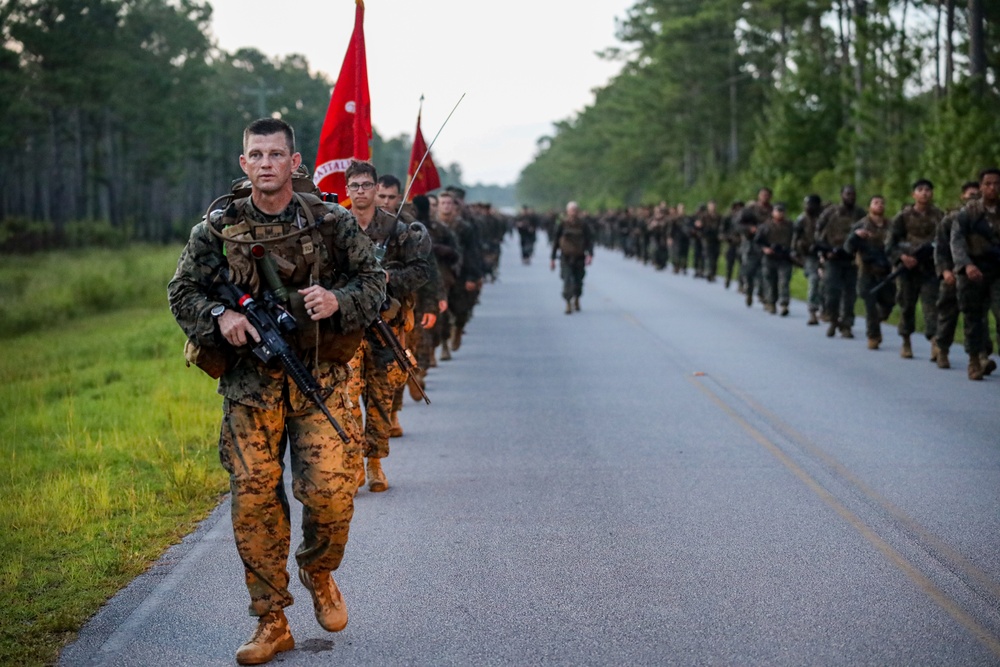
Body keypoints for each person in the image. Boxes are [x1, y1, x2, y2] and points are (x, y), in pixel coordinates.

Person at [167, 118, 384, 665]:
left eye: (276, 154)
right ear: (244, 164)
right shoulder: (216, 229)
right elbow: (182, 292)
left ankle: (319, 570)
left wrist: (337, 301)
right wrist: (219, 315)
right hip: (250, 388)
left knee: (333, 494)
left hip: (321, 380)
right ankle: (271, 619)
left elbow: (373, 283)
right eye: (256, 154)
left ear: (294, 162)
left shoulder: (332, 222)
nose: (266, 163)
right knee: (255, 501)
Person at [346, 162, 430, 490]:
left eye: (367, 185)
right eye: (355, 186)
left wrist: (389, 277)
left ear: (376, 186)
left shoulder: (396, 230)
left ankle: (375, 463)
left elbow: (421, 271)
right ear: (348, 189)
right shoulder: (338, 227)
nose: (361, 191)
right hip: (350, 328)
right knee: (349, 397)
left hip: (385, 327)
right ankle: (353, 462)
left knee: (380, 399)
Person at [951, 167, 1000, 380]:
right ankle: (974, 360)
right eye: (988, 183)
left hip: (997, 271)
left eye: (996, 184)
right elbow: (957, 240)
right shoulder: (968, 212)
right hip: (973, 271)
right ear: (981, 186)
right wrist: (966, 265)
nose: (992, 188)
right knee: (973, 317)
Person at [887, 179, 944, 359]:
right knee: (906, 306)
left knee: (932, 307)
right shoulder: (902, 217)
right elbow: (890, 244)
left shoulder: (939, 216)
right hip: (907, 270)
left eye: (928, 190)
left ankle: (935, 343)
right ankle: (906, 340)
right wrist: (902, 257)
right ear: (914, 195)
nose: (924, 193)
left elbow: (945, 240)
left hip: (929, 269)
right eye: (920, 190)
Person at [934, 181, 983, 370]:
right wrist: (945, 271)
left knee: (977, 317)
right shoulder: (952, 218)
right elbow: (941, 248)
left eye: (977, 194)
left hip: (977, 276)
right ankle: (943, 350)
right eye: (971, 194)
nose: (974, 197)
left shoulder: (985, 218)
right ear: (963, 196)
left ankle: (981, 355)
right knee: (948, 314)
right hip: (953, 275)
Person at [845, 195, 895, 349]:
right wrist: (856, 236)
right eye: (875, 202)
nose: (879, 205)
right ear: (869, 207)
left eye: (882, 203)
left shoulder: (892, 225)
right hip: (867, 271)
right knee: (870, 305)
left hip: (886, 270)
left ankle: (879, 318)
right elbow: (848, 247)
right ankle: (873, 336)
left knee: (889, 302)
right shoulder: (861, 225)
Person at [816, 185, 866, 338]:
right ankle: (833, 320)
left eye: (853, 194)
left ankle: (847, 325)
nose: (850, 196)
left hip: (851, 259)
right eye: (847, 194)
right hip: (833, 259)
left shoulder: (860, 213)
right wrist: (824, 252)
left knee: (850, 295)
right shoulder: (830, 213)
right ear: (841, 195)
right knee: (832, 293)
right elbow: (818, 232)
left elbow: (868, 232)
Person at [438, 188, 483, 355]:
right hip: (440, 275)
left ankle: (458, 329)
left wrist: (473, 276)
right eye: (443, 203)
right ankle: (443, 345)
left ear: (455, 206)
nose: (446, 206)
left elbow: (472, 253)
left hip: (461, 272)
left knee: (461, 309)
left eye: (449, 203)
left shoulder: (464, 228)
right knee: (441, 311)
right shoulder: (433, 226)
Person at [550, 201, 594, 313]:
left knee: (578, 280)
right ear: (567, 211)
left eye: (575, 210)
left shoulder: (583, 224)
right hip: (566, 257)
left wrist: (590, 254)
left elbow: (589, 240)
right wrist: (552, 258)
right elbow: (555, 241)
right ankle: (568, 303)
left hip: (579, 256)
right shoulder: (562, 224)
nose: (573, 212)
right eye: (571, 210)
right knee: (567, 280)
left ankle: (577, 299)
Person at [754, 202, 794, 316]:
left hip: (785, 257)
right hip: (769, 257)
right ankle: (771, 302)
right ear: (773, 212)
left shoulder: (790, 226)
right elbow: (757, 241)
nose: (780, 213)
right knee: (770, 281)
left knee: (784, 281)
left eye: (782, 211)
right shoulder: (765, 226)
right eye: (777, 211)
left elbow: (795, 240)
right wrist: (764, 249)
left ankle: (784, 304)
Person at [792, 194, 825, 325]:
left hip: (824, 253)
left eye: (810, 204)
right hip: (809, 254)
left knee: (827, 282)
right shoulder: (801, 219)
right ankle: (813, 311)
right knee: (814, 279)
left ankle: (826, 309)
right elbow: (795, 238)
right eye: (806, 204)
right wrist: (795, 252)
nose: (808, 207)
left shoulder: (824, 218)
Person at [738, 188, 773, 307]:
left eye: (767, 195)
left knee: (765, 271)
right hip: (751, 244)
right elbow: (738, 224)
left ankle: (764, 295)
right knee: (749, 271)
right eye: (762, 195)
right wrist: (750, 229)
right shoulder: (750, 209)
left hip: (765, 244)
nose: (765, 197)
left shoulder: (773, 210)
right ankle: (749, 291)